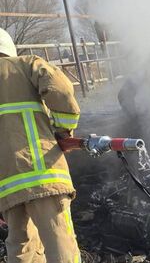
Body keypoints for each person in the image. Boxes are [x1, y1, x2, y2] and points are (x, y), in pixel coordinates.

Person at [0, 28, 81, 262]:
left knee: (21, 248)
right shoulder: (26, 65)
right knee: (61, 245)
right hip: (43, 174)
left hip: (6, 188)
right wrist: (63, 131)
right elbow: (62, 90)